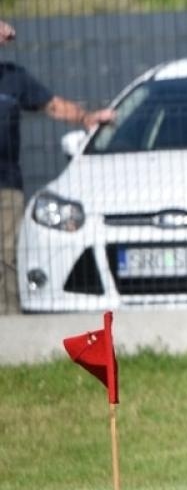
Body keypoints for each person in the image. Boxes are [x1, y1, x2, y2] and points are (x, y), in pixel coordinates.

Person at [0, 18, 115, 312]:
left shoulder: (13, 78)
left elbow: (52, 105)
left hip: (6, 183)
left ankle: (9, 326)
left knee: (7, 255)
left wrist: (86, 118)